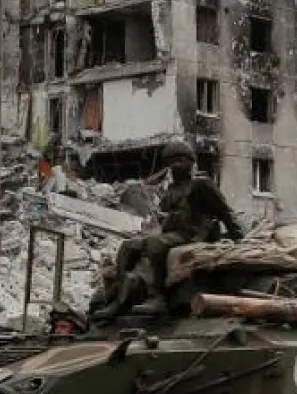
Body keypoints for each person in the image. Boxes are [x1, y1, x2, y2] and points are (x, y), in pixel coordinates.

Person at [88, 139, 245, 325]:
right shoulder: (171, 190)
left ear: (191, 162)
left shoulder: (201, 185)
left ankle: (157, 296)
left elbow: (225, 212)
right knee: (128, 246)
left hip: (194, 234)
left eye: (181, 160)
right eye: (172, 161)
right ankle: (119, 298)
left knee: (156, 244)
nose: (176, 165)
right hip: (173, 234)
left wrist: (239, 238)